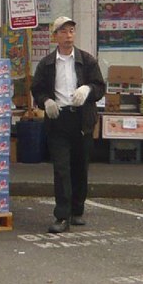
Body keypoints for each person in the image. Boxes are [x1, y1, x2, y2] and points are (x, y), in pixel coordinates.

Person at [31, 16, 105, 234]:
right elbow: (37, 89)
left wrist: (87, 89)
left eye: (71, 31)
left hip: (82, 120)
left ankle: (76, 210)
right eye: (63, 32)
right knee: (62, 169)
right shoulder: (46, 64)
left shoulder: (87, 60)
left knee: (80, 167)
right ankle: (62, 216)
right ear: (55, 36)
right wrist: (46, 101)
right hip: (58, 119)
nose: (68, 36)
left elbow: (100, 87)